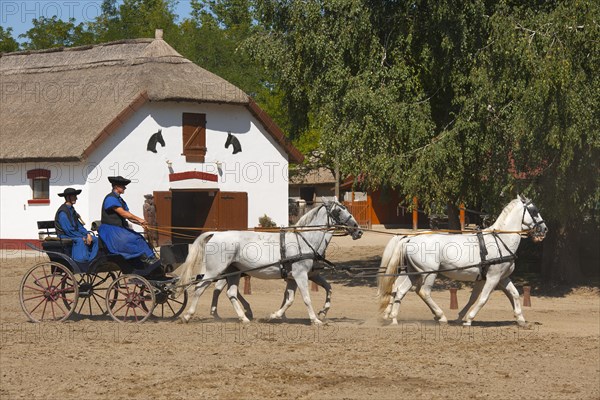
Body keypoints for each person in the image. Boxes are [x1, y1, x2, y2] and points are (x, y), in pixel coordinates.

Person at [97, 176, 157, 263]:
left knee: (139, 237)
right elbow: (123, 213)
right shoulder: (110, 198)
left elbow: (128, 217)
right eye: (123, 186)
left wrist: (140, 223)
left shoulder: (120, 199)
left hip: (119, 228)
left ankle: (148, 258)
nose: (125, 187)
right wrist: (140, 219)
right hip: (111, 229)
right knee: (134, 239)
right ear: (116, 187)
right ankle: (145, 259)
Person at [54, 187, 99, 262]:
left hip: (73, 234)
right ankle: (80, 261)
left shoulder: (72, 210)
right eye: (74, 196)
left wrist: (87, 234)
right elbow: (68, 230)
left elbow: (79, 226)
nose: (76, 198)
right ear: (68, 197)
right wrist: (83, 236)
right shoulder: (63, 212)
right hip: (65, 235)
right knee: (80, 240)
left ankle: (92, 260)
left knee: (95, 239)